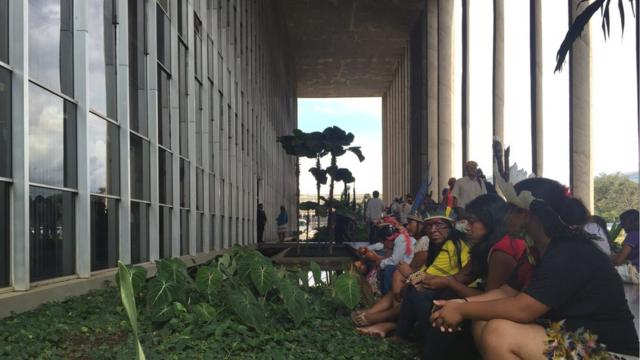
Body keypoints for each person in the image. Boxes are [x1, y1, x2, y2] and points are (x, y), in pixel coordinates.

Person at [430, 178, 639, 358]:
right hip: (575, 339)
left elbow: (523, 309)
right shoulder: (537, 251)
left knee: (499, 332)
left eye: (510, 209)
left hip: (607, 352)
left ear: (526, 214)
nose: (505, 216)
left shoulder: (569, 252)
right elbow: (505, 292)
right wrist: (458, 303)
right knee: (483, 321)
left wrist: (461, 309)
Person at [415, 194, 530, 359]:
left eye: (438, 225)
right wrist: (415, 277)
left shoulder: (452, 244)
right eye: (429, 227)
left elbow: (490, 297)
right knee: (423, 291)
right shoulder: (434, 245)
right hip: (480, 295)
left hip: (496, 305)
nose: (433, 231)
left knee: (437, 296)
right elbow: (445, 275)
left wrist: (411, 275)